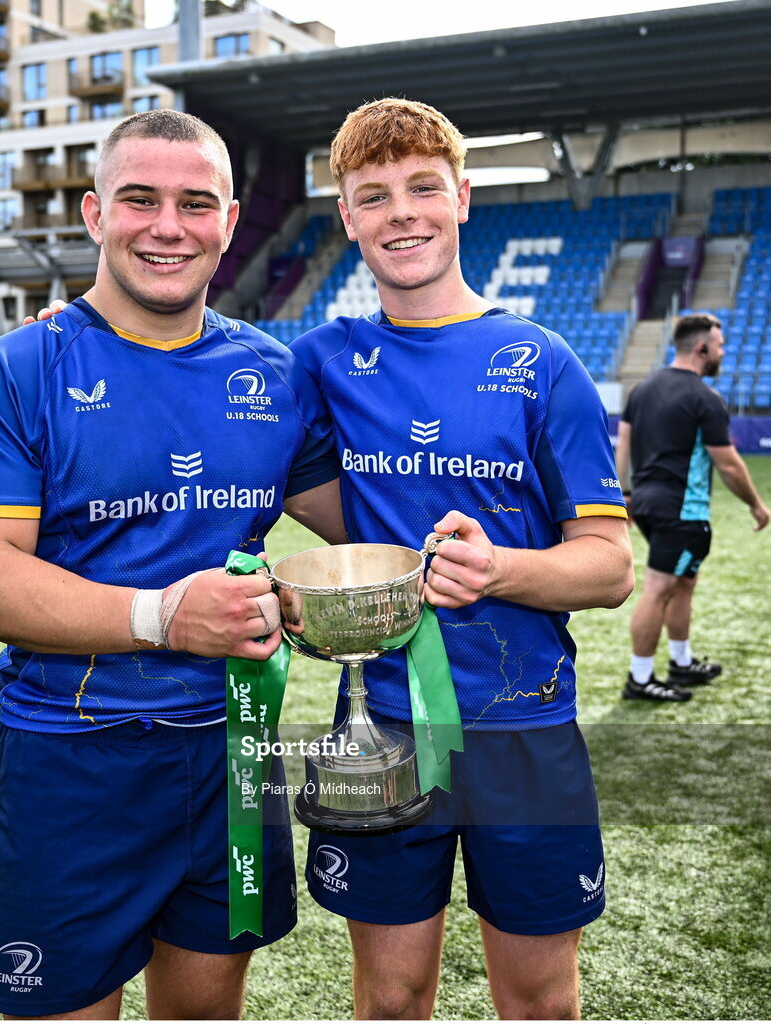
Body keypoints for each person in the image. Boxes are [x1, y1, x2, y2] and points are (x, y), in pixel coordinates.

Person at [0, 109, 345, 1021]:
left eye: (197, 203)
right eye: (140, 200)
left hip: (236, 746)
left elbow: (362, 522)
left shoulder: (272, 373)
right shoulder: (10, 372)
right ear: (92, 213)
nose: (169, 226)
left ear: (231, 223)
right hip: (77, 758)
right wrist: (163, 616)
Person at [289, 98, 634, 1020]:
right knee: (393, 999)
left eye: (423, 187)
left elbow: (609, 566)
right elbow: (217, 403)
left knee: (540, 1002)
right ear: (348, 217)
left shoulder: (541, 359)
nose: (401, 211)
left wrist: (501, 572)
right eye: (374, 196)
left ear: (463, 198)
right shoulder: (320, 358)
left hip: (525, 728)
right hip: (386, 722)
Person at [615, 312, 768, 702]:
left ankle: (681, 663)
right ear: (701, 348)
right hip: (682, 511)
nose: (723, 351)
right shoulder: (704, 398)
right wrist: (755, 504)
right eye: (719, 345)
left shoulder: (642, 389)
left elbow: (624, 446)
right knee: (660, 588)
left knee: (684, 583)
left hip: (648, 505)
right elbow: (729, 463)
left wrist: (625, 495)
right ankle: (640, 677)